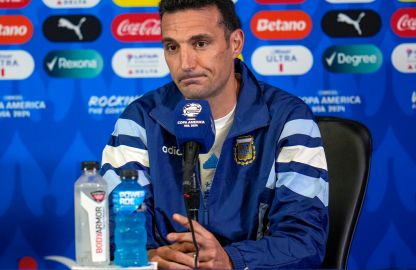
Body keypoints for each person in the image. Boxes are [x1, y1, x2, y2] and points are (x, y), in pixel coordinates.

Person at [101, 0, 329, 268]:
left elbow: (305, 240)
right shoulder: (139, 120)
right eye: (172, 47)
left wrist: (231, 260)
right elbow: (112, 228)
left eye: (200, 44)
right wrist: (147, 258)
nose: (185, 63)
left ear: (235, 44)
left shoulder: (289, 119)